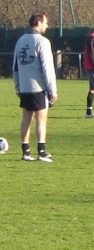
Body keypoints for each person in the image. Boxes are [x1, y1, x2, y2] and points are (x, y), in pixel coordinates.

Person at [12, 12, 57, 162]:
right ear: (38, 23)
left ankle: (25, 152)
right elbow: (47, 68)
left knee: (26, 118)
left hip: (24, 87)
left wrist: (18, 86)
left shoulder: (20, 41)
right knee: (41, 119)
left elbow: (15, 66)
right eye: (45, 22)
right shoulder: (42, 42)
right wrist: (52, 89)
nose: (47, 25)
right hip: (38, 87)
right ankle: (41, 152)